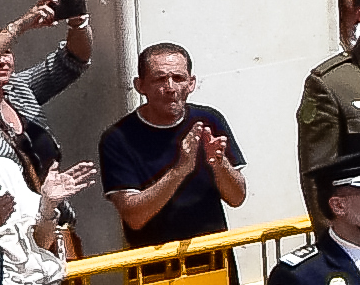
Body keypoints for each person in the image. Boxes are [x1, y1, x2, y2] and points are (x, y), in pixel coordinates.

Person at [99, 39, 255, 247]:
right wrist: (180, 170)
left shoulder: (209, 120)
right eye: (160, 79)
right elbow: (134, 217)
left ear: (191, 83)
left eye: (178, 78)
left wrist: (219, 164)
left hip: (215, 260)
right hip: (154, 267)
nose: (170, 87)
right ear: (140, 85)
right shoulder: (117, 138)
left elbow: (237, 198)